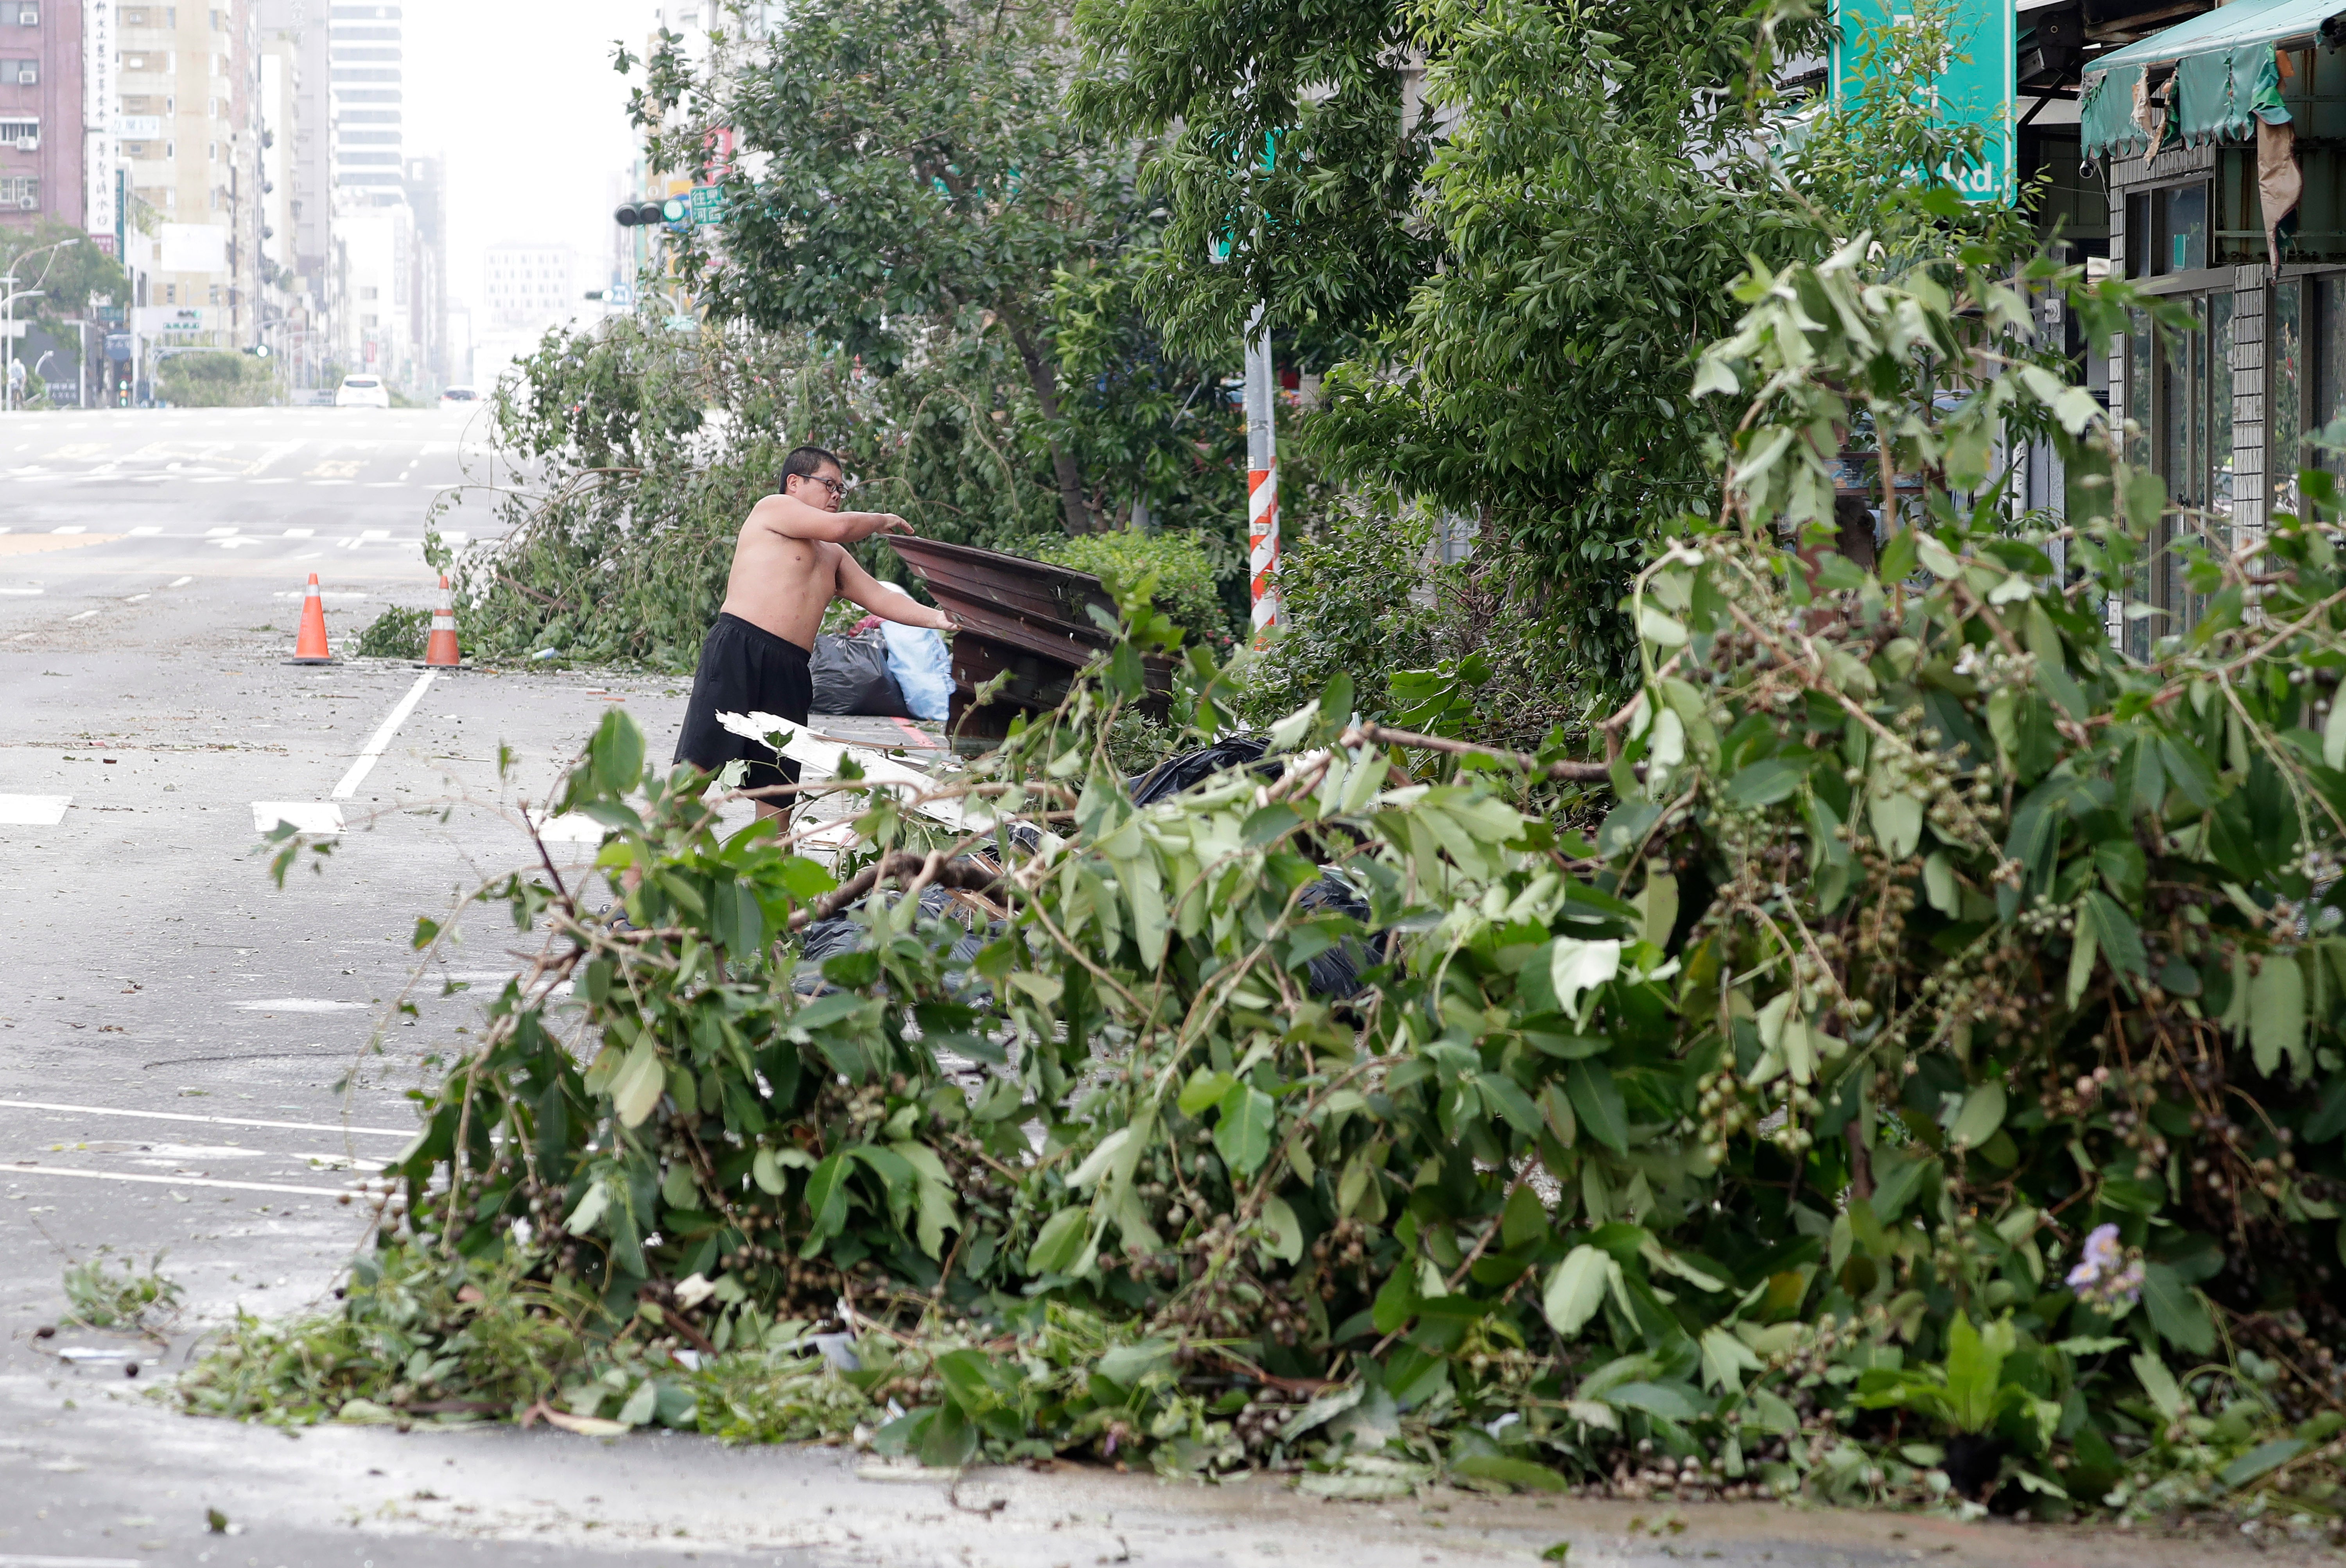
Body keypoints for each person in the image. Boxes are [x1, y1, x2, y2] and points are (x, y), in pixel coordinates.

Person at [673, 444, 956, 821]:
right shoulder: (772, 509)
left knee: (777, 797)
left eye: (841, 490)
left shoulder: (833, 555)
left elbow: (880, 598)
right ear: (794, 482)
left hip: (789, 671)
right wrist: (880, 519)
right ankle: (636, 873)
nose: (836, 496)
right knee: (693, 775)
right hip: (740, 651)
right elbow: (842, 527)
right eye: (829, 485)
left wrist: (939, 619)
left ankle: (767, 876)